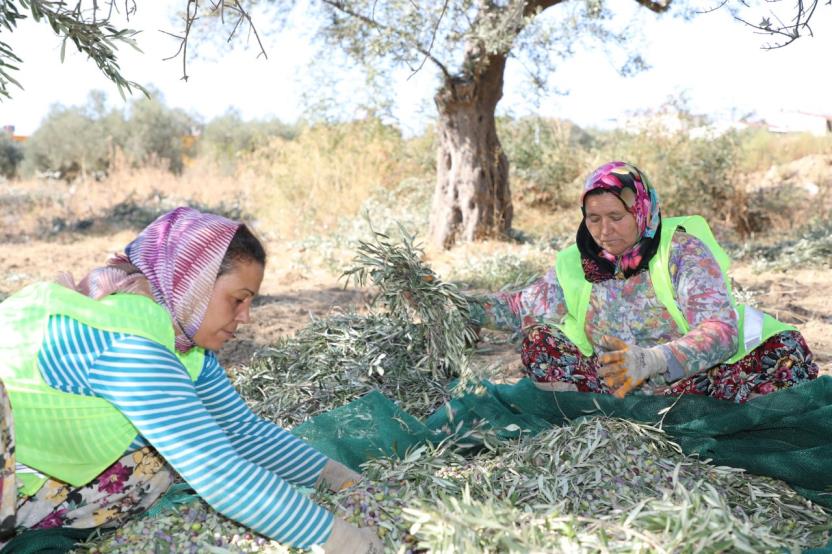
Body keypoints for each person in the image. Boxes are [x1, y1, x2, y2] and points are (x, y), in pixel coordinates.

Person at [0, 207, 382, 553]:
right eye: (238, 299)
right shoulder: (130, 345)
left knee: (170, 454)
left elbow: (243, 432)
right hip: (13, 482)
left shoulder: (182, 342)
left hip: (35, 475)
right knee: (178, 456)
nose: (245, 317)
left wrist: (341, 480)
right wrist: (347, 542)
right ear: (192, 282)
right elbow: (219, 473)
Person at [470, 161, 819, 402]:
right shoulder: (578, 261)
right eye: (593, 219)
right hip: (616, 384)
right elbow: (519, 308)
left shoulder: (681, 252)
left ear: (640, 209)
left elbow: (720, 330)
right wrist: (458, 307)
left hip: (695, 376)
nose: (604, 231)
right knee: (540, 342)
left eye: (616, 217)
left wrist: (654, 360)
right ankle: (604, 418)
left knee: (781, 358)